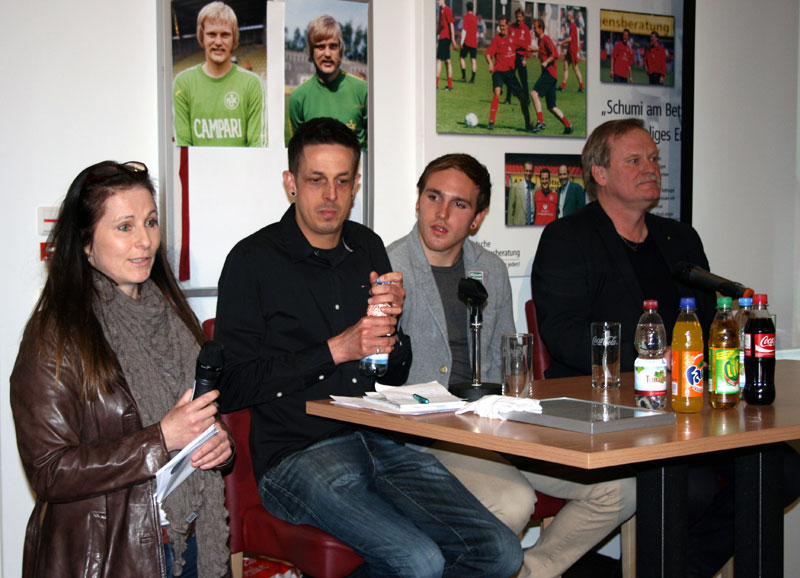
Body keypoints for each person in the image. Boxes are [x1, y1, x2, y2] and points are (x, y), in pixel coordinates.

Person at [214, 117, 522, 578]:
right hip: (295, 454)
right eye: (316, 180)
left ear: (356, 184)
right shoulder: (251, 260)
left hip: (379, 437)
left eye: (342, 181)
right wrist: (336, 349)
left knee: (499, 551)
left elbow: (391, 372)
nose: (330, 196)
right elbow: (231, 385)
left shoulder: (368, 245)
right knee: (418, 561)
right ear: (290, 184)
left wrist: (392, 338)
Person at [531, 118, 800, 577]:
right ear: (599, 173)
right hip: (609, 405)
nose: (650, 168)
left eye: (653, 159)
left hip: (688, 408)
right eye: (634, 160)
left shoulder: (680, 239)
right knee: (690, 488)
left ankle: (679, 568)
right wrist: (658, 360)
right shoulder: (567, 239)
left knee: (783, 473)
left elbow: (711, 321)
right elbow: (565, 336)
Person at [387, 153, 635, 578]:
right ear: (418, 201)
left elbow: (507, 361)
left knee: (620, 489)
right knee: (514, 501)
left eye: (459, 204)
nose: (442, 213)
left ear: (478, 217)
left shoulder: (491, 269)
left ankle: (529, 572)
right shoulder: (390, 268)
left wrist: (515, 413)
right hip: (428, 434)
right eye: (433, 197)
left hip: (493, 421)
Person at [10, 161, 232, 577]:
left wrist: (221, 444)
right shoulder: (56, 334)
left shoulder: (171, 315)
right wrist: (160, 439)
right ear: (86, 243)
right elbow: (49, 471)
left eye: (150, 222)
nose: (145, 240)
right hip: (115, 554)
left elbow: (195, 418)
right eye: (125, 227)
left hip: (193, 540)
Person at [173, 1, 266, 147]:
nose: (218, 42)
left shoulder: (252, 84)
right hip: (199, 170)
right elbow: (183, 146)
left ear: (234, 38)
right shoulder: (184, 83)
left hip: (240, 169)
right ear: (202, 37)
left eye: (225, 35)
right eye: (211, 34)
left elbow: (257, 145)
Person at [288, 14, 368, 150]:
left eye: (333, 46)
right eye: (320, 47)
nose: (327, 54)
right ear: (310, 52)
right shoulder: (298, 98)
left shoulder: (363, 90)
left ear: (341, 50)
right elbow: (299, 152)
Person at [485, 15, 533, 131]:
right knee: (497, 92)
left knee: (522, 97)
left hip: (510, 73)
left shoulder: (513, 39)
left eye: (503, 25)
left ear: (507, 25)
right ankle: (491, 121)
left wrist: (541, 49)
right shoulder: (496, 39)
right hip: (499, 72)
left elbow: (527, 47)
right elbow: (488, 54)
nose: (501, 28)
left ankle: (528, 123)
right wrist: (490, 63)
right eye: (500, 26)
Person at [530, 18, 574, 134]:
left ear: (540, 28)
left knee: (534, 93)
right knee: (551, 107)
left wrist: (546, 62)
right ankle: (568, 126)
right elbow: (541, 50)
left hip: (549, 74)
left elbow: (555, 54)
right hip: (550, 76)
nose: (533, 30)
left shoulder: (546, 39)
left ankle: (541, 122)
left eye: (535, 27)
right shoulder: (540, 41)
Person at [505, 7, 531, 105]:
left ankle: (527, 100)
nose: (518, 19)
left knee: (523, 80)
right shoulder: (511, 27)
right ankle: (508, 99)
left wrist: (525, 58)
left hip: (521, 57)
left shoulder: (526, 29)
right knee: (510, 78)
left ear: (523, 17)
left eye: (520, 17)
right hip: (512, 57)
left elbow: (527, 46)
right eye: (517, 17)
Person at [558, 10, 584, 92]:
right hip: (570, 49)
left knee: (575, 68)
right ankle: (562, 86)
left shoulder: (573, 25)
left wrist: (562, 42)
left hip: (572, 50)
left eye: (567, 16)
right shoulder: (572, 25)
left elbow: (570, 38)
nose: (566, 17)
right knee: (565, 66)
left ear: (570, 16)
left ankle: (581, 87)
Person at [436, 0, 457, 91]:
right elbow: (441, 25)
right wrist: (436, 33)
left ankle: (436, 84)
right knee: (447, 61)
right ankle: (450, 85)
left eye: (438, 0)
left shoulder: (447, 10)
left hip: (445, 38)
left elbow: (451, 24)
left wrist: (453, 39)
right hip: (443, 38)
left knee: (439, 60)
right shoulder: (441, 10)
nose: (437, 2)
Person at [507, 160, 536, 225]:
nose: (528, 173)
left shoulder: (536, 188)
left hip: (532, 225)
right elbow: (510, 211)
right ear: (523, 170)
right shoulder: (515, 187)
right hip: (518, 226)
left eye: (530, 171)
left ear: (533, 172)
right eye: (527, 170)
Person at [459, 2, 478, 83]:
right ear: (472, 8)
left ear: (466, 8)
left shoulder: (465, 17)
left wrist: (461, 42)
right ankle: (473, 78)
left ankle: (464, 77)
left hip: (467, 41)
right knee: (473, 60)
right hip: (474, 42)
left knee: (462, 57)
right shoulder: (475, 18)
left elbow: (464, 30)